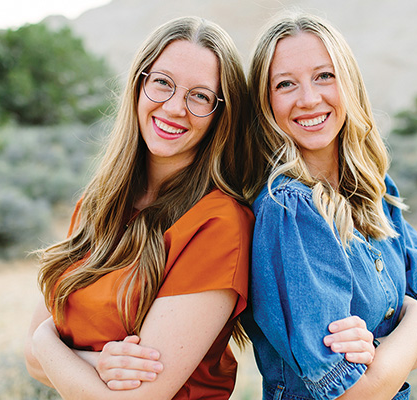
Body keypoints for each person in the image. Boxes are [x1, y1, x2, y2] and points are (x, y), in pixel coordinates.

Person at [23, 16, 258, 399]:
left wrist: (47, 339)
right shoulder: (97, 206)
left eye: (200, 96)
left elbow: (137, 397)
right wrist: (99, 363)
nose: (175, 107)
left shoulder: (219, 224)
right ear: (139, 85)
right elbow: (30, 363)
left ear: (220, 116)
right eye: (163, 83)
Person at [240, 10, 417, 400]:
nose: (309, 99)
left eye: (324, 75)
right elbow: (353, 394)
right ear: (265, 102)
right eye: (286, 84)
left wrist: (381, 353)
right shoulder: (289, 210)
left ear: (348, 82)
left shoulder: (373, 189)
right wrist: (415, 318)